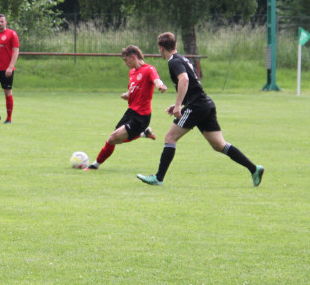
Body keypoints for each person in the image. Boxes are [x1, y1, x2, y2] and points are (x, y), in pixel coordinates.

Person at [137, 32, 264, 187]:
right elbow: (192, 86)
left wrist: (178, 106)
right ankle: (254, 169)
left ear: (161, 48)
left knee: (170, 137)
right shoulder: (183, 58)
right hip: (205, 104)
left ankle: (159, 178)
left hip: (196, 106)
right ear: (175, 45)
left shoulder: (173, 62)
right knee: (219, 144)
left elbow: (184, 80)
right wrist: (180, 103)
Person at [84, 45, 167, 171]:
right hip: (130, 112)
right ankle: (143, 134)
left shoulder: (149, 70)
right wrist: (127, 95)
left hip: (141, 116)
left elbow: (157, 80)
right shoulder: (132, 72)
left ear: (133, 57)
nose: (125, 63)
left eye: (126, 60)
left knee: (112, 138)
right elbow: (132, 89)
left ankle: (94, 166)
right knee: (115, 140)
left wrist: (161, 86)